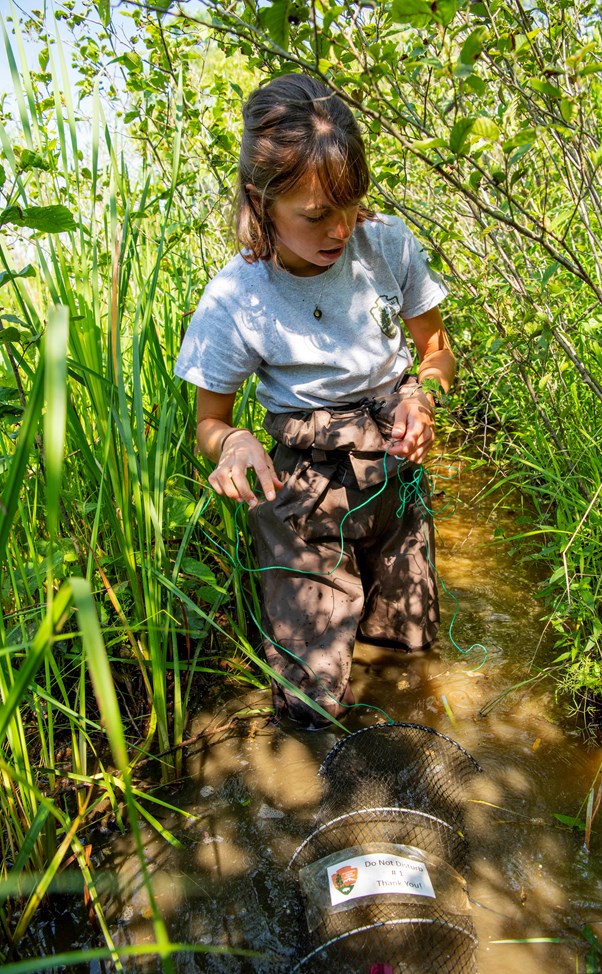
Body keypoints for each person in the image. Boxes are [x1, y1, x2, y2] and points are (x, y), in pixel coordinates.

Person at [175, 73, 456, 729]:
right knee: (310, 702)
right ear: (260, 201)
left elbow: (438, 352)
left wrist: (424, 393)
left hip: (394, 475)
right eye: (315, 215)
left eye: (351, 204)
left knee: (405, 654)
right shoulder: (235, 299)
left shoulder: (387, 244)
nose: (340, 229)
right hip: (303, 493)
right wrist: (236, 443)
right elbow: (210, 424)